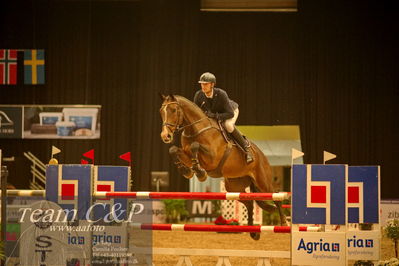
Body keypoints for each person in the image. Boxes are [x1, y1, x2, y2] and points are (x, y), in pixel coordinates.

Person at [193, 72, 254, 163]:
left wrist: (215, 116)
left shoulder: (221, 94)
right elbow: (195, 112)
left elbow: (230, 114)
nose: (203, 86)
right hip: (215, 115)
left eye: (205, 84)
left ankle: (247, 149)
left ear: (212, 84)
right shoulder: (198, 95)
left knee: (228, 125)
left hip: (230, 111)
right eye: (201, 84)